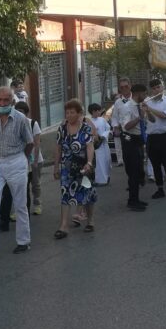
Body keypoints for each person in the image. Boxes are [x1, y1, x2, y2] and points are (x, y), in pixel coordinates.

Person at [0, 86, 34, 258]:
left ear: (12, 102)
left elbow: (30, 142)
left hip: (16, 161)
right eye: (0, 100)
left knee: (20, 204)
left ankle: (23, 241)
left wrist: (22, 160)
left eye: (6, 100)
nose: (3, 103)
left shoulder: (20, 119)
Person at [53, 99, 96, 238]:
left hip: (84, 167)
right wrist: (56, 167)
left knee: (87, 194)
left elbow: (90, 146)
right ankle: (64, 226)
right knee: (65, 194)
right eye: (67, 112)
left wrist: (89, 163)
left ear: (79, 114)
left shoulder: (86, 128)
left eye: (72, 112)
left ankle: (90, 221)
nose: (69, 115)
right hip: (67, 168)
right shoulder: (62, 129)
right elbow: (58, 149)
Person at [143, 78, 166, 199]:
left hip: (164, 137)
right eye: (154, 88)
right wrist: (146, 110)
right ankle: (160, 188)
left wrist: (149, 108)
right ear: (151, 90)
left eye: (158, 87)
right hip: (152, 137)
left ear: (162, 88)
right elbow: (152, 120)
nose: (157, 90)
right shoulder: (147, 101)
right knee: (155, 164)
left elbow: (164, 116)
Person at [119, 83, 148, 211]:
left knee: (139, 171)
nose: (145, 96)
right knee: (134, 172)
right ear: (138, 93)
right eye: (144, 94)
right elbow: (126, 126)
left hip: (138, 140)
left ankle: (136, 198)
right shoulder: (127, 107)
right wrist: (139, 118)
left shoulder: (139, 106)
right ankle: (132, 200)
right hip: (129, 141)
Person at [109, 77, 134, 166]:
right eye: (122, 87)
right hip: (124, 132)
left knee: (136, 157)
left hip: (136, 132)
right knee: (127, 156)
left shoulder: (136, 99)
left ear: (130, 86)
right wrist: (115, 127)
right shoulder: (118, 102)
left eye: (126, 86)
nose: (124, 89)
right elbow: (114, 117)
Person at [88, 103, 112, 186]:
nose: (99, 112)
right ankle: (101, 180)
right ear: (93, 112)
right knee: (99, 163)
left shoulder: (102, 120)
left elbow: (108, 129)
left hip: (104, 143)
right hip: (97, 146)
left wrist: (103, 136)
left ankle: (107, 176)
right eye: (97, 111)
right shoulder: (89, 122)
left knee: (107, 161)